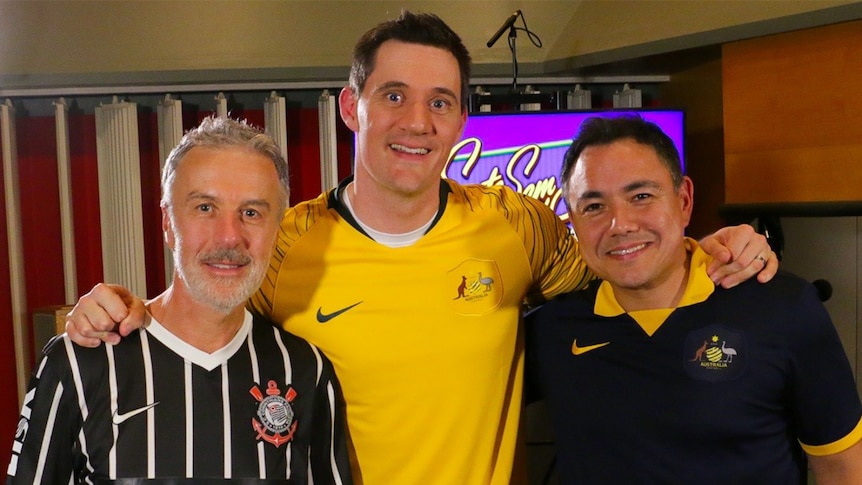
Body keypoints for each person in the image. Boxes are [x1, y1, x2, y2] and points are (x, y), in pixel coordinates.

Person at [64, 11, 779, 485]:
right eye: (395, 95)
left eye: (440, 100)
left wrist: (710, 246)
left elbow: (626, 260)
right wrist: (118, 306)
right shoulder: (285, 243)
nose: (418, 120)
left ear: (463, 118)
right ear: (353, 107)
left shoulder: (516, 225)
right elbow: (195, 317)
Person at [7, 117, 352, 484]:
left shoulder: (304, 370)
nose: (229, 237)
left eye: (251, 213)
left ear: (276, 229)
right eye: (205, 208)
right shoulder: (79, 362)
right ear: (168, 222)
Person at [525, 115, 862, 483]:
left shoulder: (783, 307)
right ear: (571, 218)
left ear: (684, 200)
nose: (619, 224)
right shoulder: (551, 331)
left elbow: (843, 468)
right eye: (594, 207)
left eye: (641, 196)